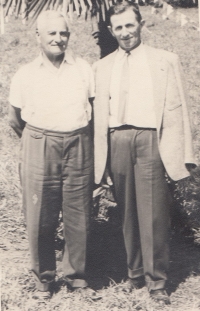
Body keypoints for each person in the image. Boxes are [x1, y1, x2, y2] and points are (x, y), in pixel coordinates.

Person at [93, 0, 196, 305]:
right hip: (118, 139)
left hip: (151, 138)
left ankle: (157, 281)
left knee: (152, 212)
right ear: (111, 31)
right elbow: (99, 116)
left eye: (130, 25)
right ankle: (134, 273)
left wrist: (182, 153)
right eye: (119, 27)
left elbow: (180, 110)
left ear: (141, 24)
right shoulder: (102, 67)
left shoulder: (165, 60)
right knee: (125, 210)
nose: (125, 32)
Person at [9, 10, 95, 299]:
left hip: (78, 143)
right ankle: (43, 279)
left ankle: (77, 277)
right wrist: (40, 141)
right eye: (52, 33)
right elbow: (15, 119)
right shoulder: (25, 74)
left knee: (78, 213)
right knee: (40, 215)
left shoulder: (84, 68)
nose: (59, 39)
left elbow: (92, 110)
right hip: (39, 143)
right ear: (38, 37)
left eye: (64, 33)